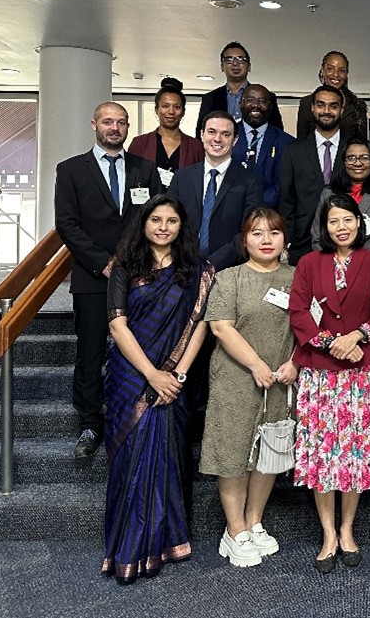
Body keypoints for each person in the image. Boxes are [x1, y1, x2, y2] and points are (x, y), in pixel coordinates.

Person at [102, 194, 215, 583]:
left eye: (171, 220)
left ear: (182, 226)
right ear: (143, 224)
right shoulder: (124, 266)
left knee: (167, 456)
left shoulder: (196, 270)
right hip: (131, 375)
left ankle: (165, 540)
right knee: (131, 457)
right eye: (156, 220)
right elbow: (118, 325)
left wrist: (177, 375)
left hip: (174, 379)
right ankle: (125, 545)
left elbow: (200, 324)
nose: (163, 227)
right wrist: (153, 374)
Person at [55, 102, 162, 459]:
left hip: (139, 276)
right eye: (107, 122)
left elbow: (156, 218)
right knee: (90, 352)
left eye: (121, 122)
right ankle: (89, 423)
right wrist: (103, 263)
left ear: (128, 126)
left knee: (139, 349)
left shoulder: (145, 169)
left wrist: (133, 261)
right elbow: (68, 224)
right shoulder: (70, 170)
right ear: (94, 125)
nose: (114, 127)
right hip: (92, 277)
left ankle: (132, 416)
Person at [288, 195, 370, 573]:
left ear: (359, 224)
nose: (341, 227)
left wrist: (357, 337)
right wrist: (332, 342)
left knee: (354, 454)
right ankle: (327, 533)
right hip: (320, 371)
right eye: (333, 221)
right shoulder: (309, 263)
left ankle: (348, 530)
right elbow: (298, 311)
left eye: (348, 219)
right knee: (322, 454)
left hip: (361, 370)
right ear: (324, 227)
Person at [200, 207, 296, 568]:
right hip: (237, 378)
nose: (266, 240)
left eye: (273, 232)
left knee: (269, 453)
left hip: (281, 380)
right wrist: (256, 365)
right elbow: (221, 327)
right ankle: (234, 529)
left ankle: (254, 520)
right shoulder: (230, 278)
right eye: (257, 233)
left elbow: (311, 326)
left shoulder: (298, 276)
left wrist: (295, 363)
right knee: (234, 454)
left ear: (284, 239)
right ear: (245, 240)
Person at [167, 111, 263, 272]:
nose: (217, 139)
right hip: (182, 267)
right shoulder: (181, 177)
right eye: (212, 132)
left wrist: (211, 264)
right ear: (202, 135)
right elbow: (169, 221)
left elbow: (249, 231)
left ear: (235, 140)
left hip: (229, 270)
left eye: (225, 134)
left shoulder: (250, 181)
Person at [278, 85, 346, 262]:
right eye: (321, 105)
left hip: (345, 238)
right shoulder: (294, 150)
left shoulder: (353, 148)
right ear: (312, 108)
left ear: (341, 110)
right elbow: (286, 199)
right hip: (302, 241)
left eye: (333, 106)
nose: (326, 111)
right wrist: (289, 238)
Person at [311, 136, 370, 256]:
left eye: (364, 158)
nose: (358, 163)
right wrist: (335, 265)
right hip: (335, 267)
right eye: (351, 158)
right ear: (343, 162)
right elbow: (318, 237)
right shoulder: (329, 193)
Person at [126, 78, 205, 187]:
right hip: (146, 203)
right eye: (165, 106)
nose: (171, 111)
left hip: (183, 203)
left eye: (177, 107)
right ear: (156, 109)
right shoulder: (139, 143)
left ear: (183, 112)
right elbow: (130, 180)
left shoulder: (196, 147)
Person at [197, 42, 283, 134]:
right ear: (222, 66)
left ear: (249, 66)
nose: (235, 63)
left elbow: (276, 132)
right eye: (229, 59)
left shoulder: (267, 97)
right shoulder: (210, 98)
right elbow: (201, 132)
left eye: (241, 60)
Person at [233, 83, 294, 210]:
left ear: (270, 107)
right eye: (250, 100)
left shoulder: (287, 142)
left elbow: (285, 183)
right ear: (240, 103)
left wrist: (257, 204)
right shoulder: (227, 136)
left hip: (270, 214)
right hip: (231, 213)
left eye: (263, 101)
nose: (256, 105)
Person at [295, 51, 368, 142]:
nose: (336, 74)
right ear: (323, 70)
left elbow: (363, 145)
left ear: (347, 73)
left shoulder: (357, 105)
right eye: (330, 69)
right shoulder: (306, 103)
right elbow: (300, 143)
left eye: (342, 70)